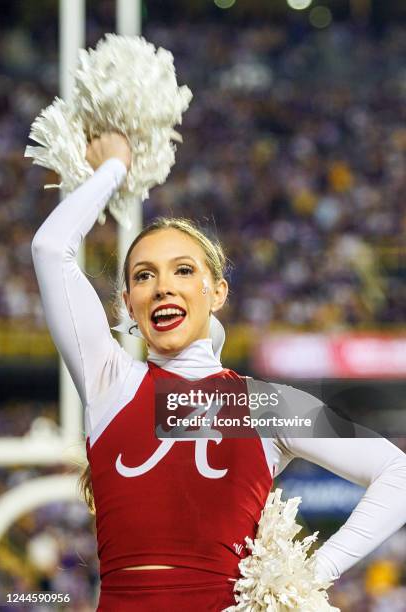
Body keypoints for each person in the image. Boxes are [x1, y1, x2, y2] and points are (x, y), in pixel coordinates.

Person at [31, 133, 406, 611]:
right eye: (144, 276)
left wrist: (304, 577)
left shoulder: (264, 404)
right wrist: (115, 168)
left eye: (183, 270)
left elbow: (398, 473)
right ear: (127, 304)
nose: (163, 286)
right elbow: (50, 248)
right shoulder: (112, 383)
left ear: (218, 292)